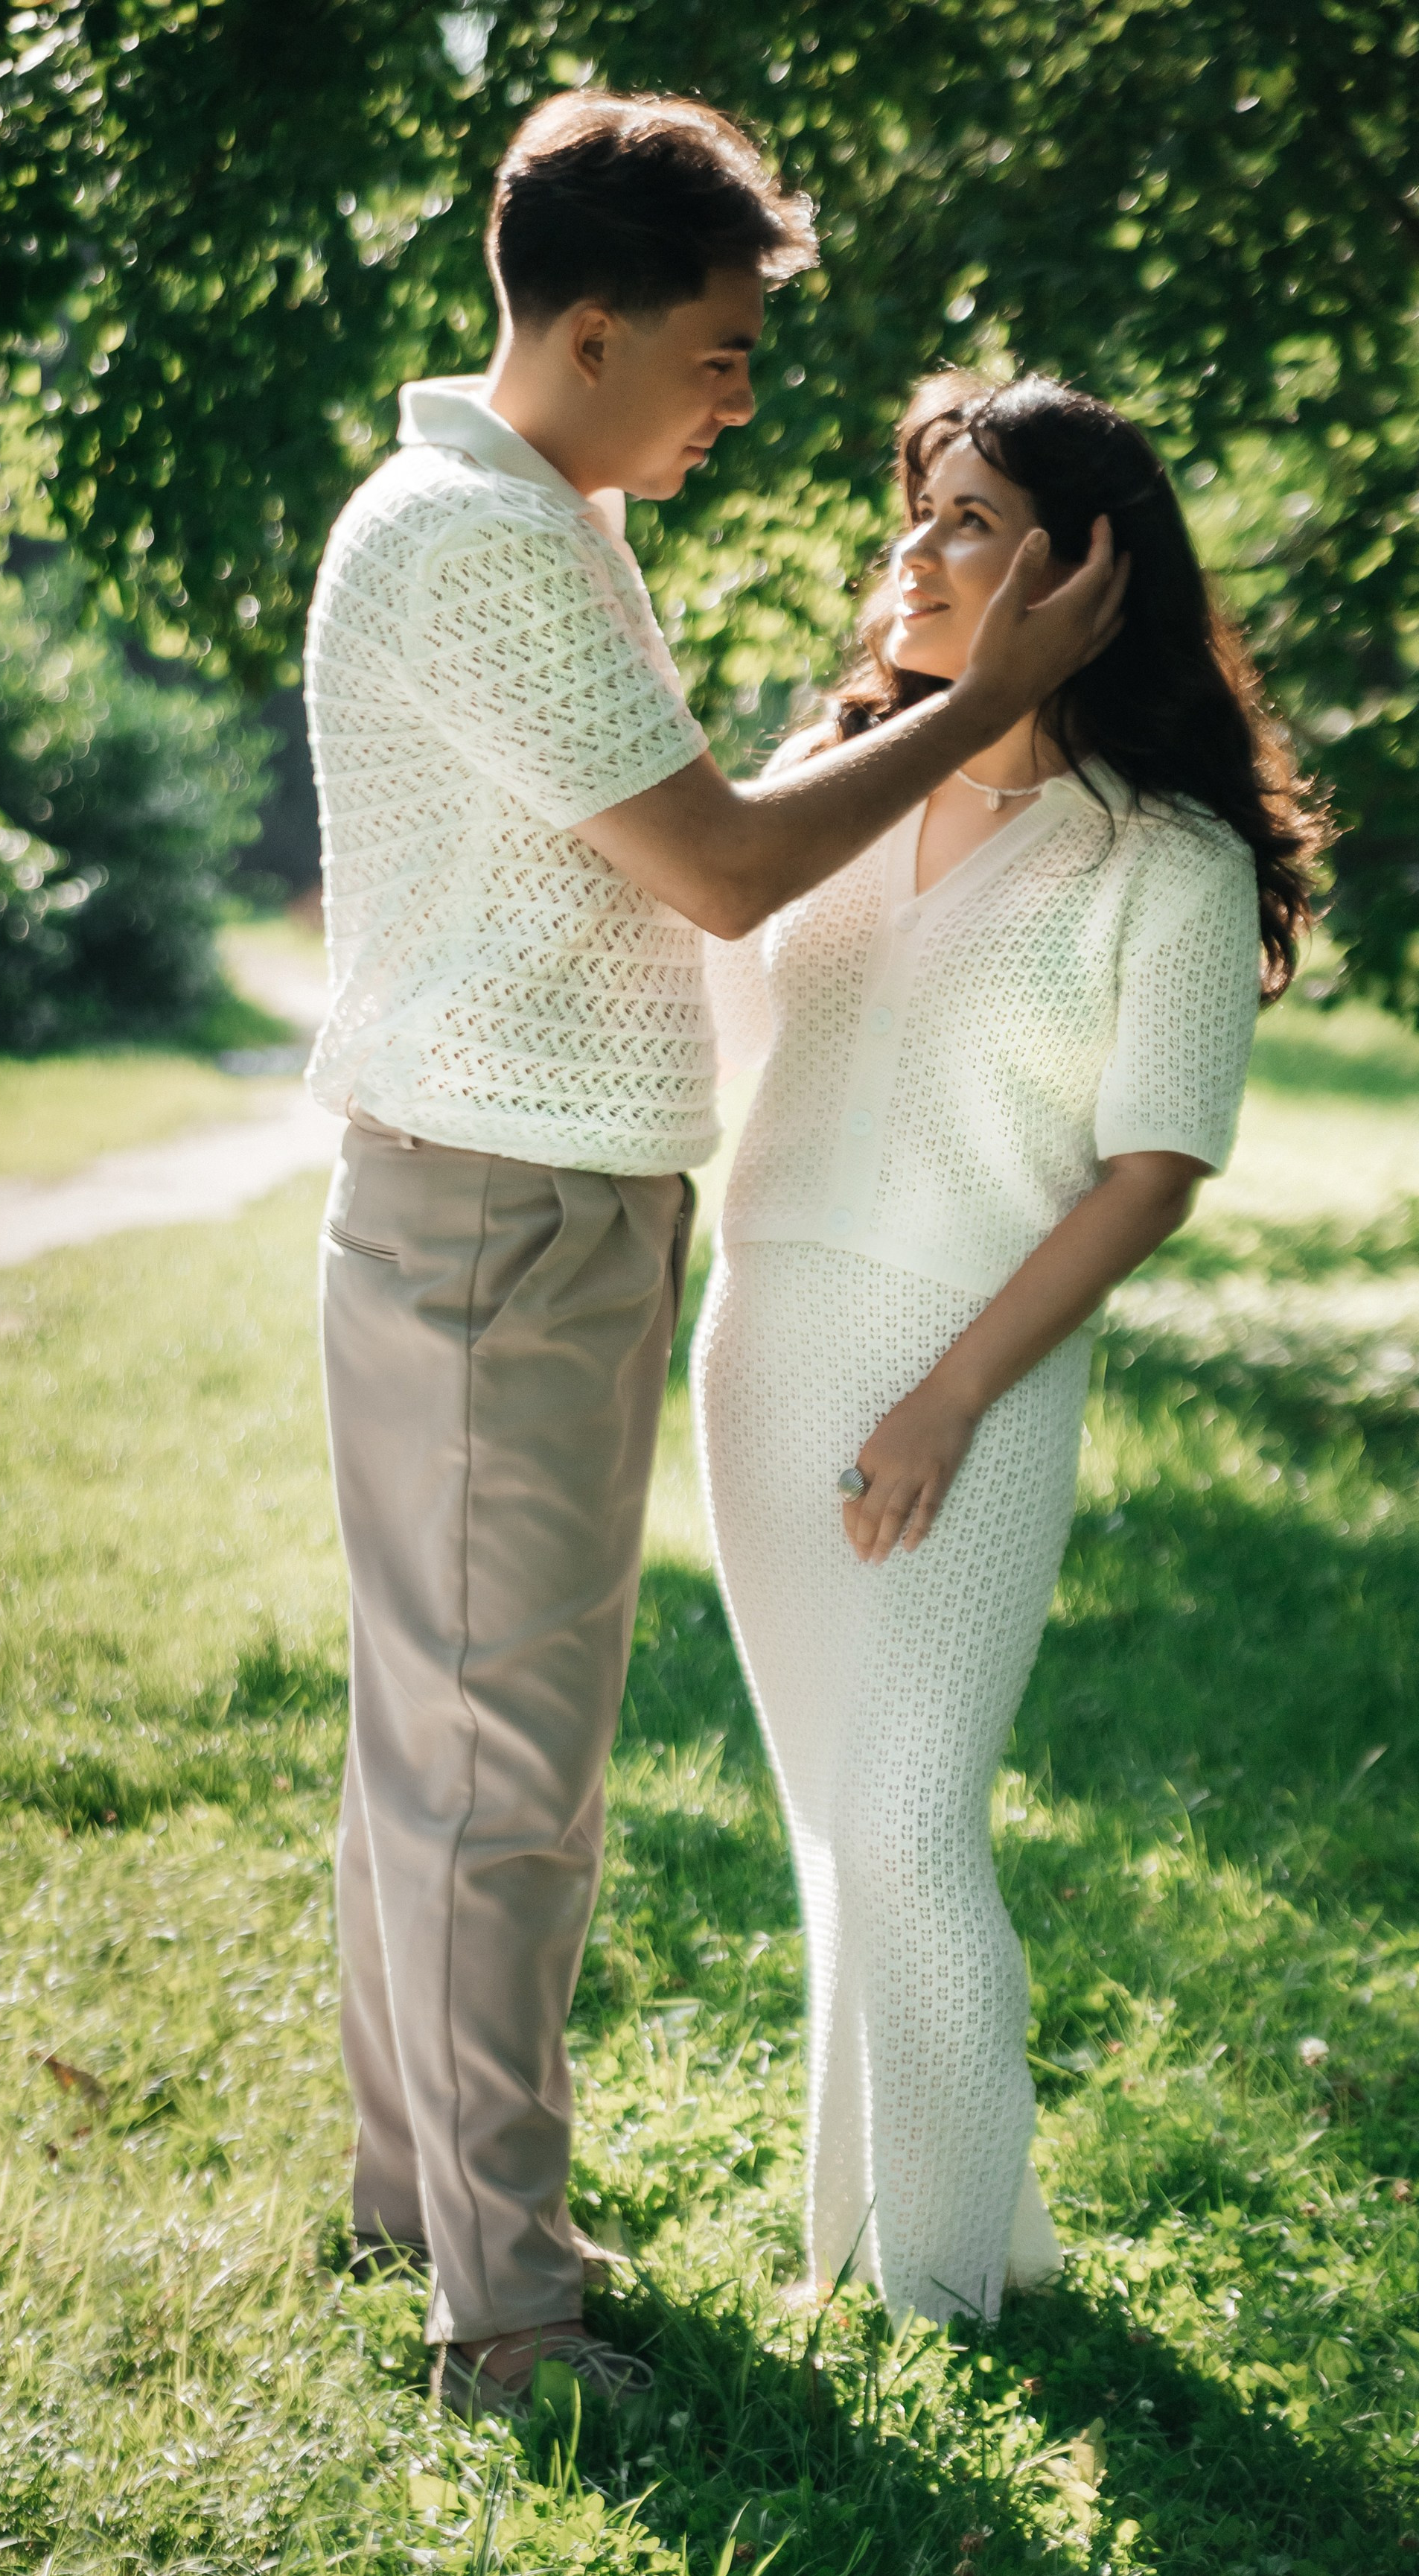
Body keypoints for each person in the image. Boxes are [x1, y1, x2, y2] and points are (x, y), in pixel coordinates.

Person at [303, 91, 1127, 2419]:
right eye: (724, 351)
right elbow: (725, 867)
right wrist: (989, 700)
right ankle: (508, 2319)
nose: (748, 399)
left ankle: (421, 2202)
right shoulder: (479, 540)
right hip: (503, 1212)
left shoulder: (535, 515)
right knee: (504, 1777)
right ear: (589, 331)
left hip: (516, 1200)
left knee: (442, 1746)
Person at [695, 370, 1328, 2329]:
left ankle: (956, 2293)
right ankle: (873, 2237)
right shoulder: (831, 781)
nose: (914, 550)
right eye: (916, 510)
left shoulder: (1165, 856)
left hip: (966, 1373)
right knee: (831, 1821)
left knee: (906, 1816)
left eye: (968, 517)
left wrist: (950, 1395)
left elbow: (1154, 1173)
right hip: (763, 1337)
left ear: (1086, 572)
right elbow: (702, 1035)